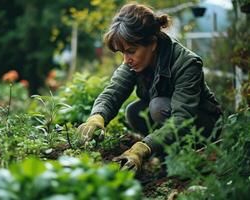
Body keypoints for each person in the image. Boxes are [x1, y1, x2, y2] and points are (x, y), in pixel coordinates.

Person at [77, 3, 222, 172]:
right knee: (134, 111)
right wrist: (96, 117)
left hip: (203, 126)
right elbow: (113, 91)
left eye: (131, 51)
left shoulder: (186, 63)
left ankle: (178, 153)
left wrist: (143, 147)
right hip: (168, 116)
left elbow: (183, 119)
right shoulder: (135, 61)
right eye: (122, 52)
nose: (126, 59)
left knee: (157, 107)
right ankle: (165, 150)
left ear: (152, 43)